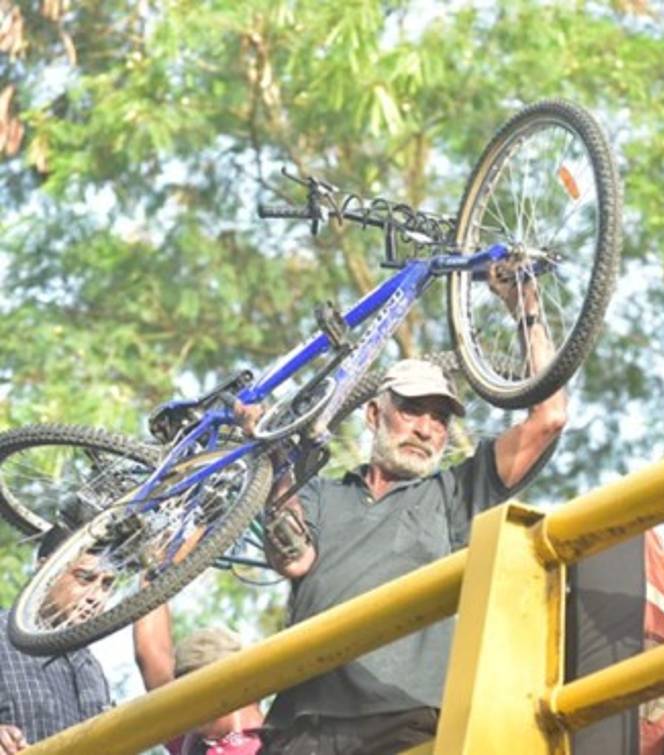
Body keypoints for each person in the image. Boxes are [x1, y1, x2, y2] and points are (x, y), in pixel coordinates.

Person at [255, 268, 567, 754]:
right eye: (413, 411)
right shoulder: (320, 495)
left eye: (440, 419)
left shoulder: (453, 493)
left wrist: (524, 306)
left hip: (399, 724)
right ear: (375, 414)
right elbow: (292, 558)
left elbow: (549, 416)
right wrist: (274, 458)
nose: (427, 429)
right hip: (300, 724)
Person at [0, 527, 112, 753]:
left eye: (106, 584)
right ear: (44, 572)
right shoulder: (3, 638)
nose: (96, 597)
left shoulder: (91, 667)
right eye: (84, 578)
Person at [132, 603, 263, 754]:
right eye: (186, 699)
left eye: (196, 697)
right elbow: (150, 655)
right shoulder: (195, 743)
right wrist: (156, 583)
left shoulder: (278, 743)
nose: (190, 710)